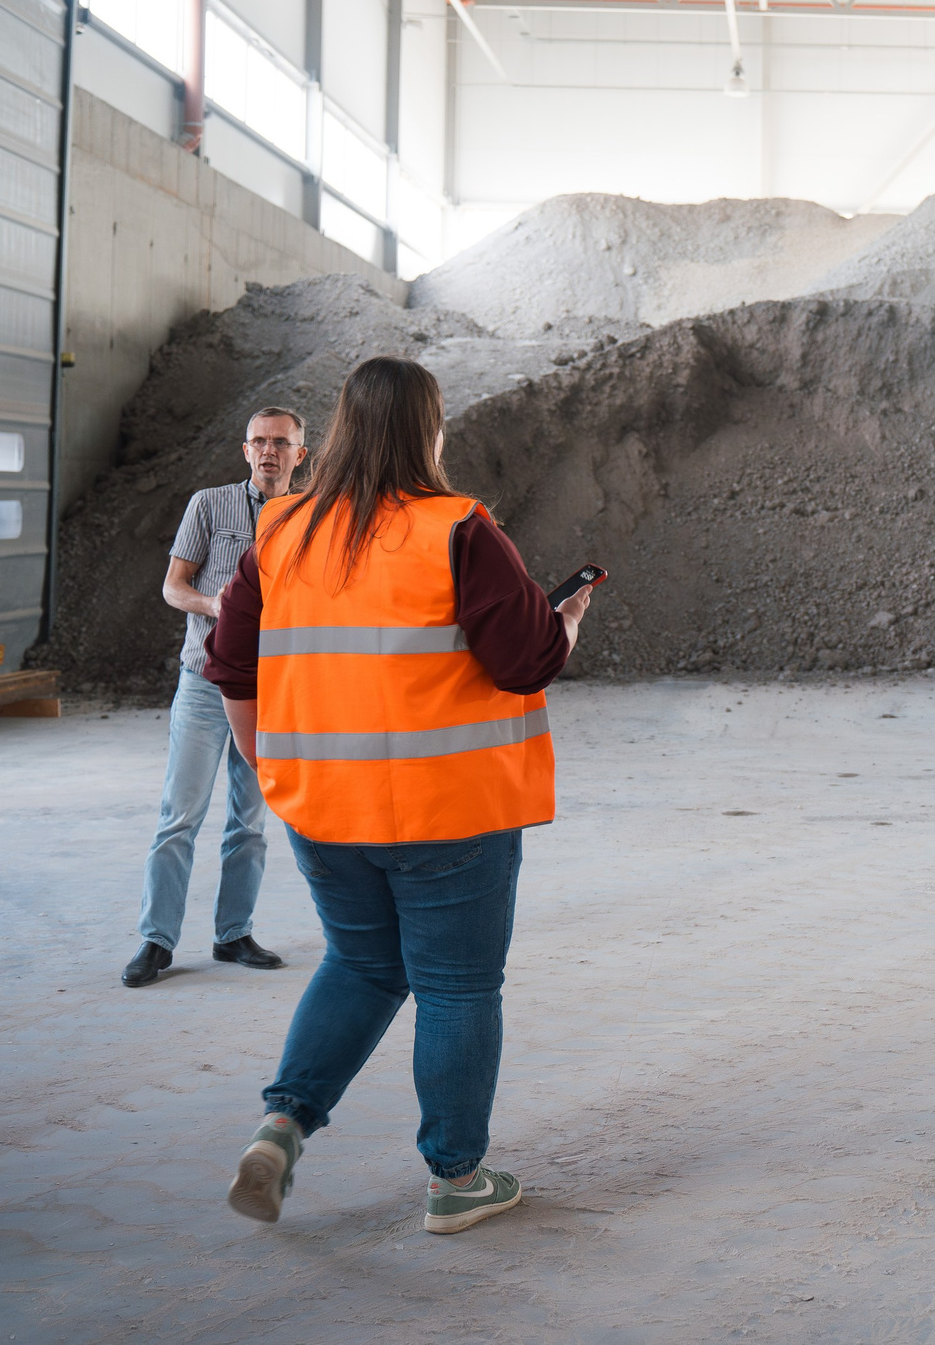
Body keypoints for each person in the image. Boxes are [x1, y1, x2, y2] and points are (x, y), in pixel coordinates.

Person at [204, 357, 592, 1234]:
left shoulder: (282, 531)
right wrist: (565, 621)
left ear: (337, 429)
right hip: (449, 810)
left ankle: (280, 1128)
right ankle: (455, 1178)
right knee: (456, 986)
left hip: (323, 809)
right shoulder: (458, 528)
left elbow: (228, 664)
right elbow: (527, 659)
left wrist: (267, 766)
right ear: (430, 429)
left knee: (364, 963)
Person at [121, 407, 309, 988]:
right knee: (180, 816)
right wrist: (220, 606)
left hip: (273, 687)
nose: (269, 451)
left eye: (281, 442)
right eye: (259, 441)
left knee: (249, 820)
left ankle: (233, 935)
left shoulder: (311, 514)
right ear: (245, 450)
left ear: (301, 455)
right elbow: (174, 587)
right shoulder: (209, 505)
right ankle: (156, 941)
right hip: (205, 681)